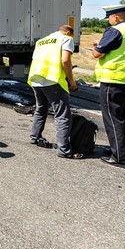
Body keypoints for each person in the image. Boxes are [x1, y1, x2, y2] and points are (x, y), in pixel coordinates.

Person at [91, 4, 125, 169]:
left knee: (113, 119)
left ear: (115, 16)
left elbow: (98, 53)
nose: (109, 21)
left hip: (114, 81)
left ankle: (120, 157)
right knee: (123, 117)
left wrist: (95, 47)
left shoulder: (114, 31)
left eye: (109, 18)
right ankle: (120, 150)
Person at [28, 24, 82, 159]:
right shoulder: (66, 39)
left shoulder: (41, 41)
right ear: (69, 32)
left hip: (36, 79)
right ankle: (64, 149)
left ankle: (34, 137)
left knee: (41, 108)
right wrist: (72, 82)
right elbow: (65, 60)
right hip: (52, 80)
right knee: (62, 115)